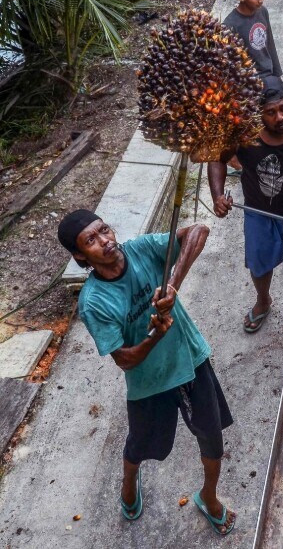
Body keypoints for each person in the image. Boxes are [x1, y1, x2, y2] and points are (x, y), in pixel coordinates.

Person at [57, 210, 237, 536]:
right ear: (80, 256)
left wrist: (172, 285)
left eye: (104, 230)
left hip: (190, 359)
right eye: (91, 240)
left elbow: (198, 230)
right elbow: (124, 360)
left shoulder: (141, 249)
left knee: (212, 439)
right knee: (140, 445)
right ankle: (129, 480)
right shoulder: (93, 302)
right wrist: (155, 336)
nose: (105, 241)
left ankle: (208, 496)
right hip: (149, 383)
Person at [208, 79, 283, 333]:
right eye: (270, 112)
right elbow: (217, 159)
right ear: (257, 114)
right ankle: (263, 301)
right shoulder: (243, 135)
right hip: (260, 211)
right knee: (259, 262)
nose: (280, 117)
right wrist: (217, 195)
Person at [223, 0, 283, 177]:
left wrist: (277, 75)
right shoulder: (230, 26)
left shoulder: (262, 12)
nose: (261, 0)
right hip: (249, 87)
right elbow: (231, 66)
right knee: (252, 129)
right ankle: (246, 166)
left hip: (269, 77)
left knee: (274, 122)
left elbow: (269, 44)